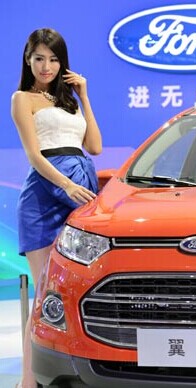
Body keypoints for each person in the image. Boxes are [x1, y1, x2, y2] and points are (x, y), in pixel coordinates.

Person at [11, 28, 102, 388]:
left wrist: (85, 96)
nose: (46, 66)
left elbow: (94, 146)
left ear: (62, 63)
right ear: (28, 60)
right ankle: (28, 380)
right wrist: (65, 185)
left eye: (53, 59)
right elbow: (34, 155)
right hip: (46, 193)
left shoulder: (70, 102)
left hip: (81, 186)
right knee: (45, 292)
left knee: (74, 290)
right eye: (39, 58)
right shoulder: (23, 98)